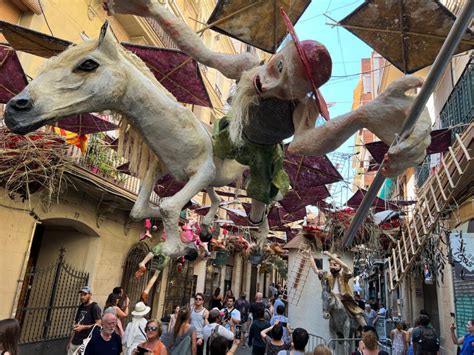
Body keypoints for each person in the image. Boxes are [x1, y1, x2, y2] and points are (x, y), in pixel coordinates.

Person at [104, 0, 432, 237]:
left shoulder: (304, 109)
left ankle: (259, 222)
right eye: (277, 68)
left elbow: (304, 145)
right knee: (193, 154)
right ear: (278, 56)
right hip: (229, 134)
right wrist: (155, 10)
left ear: (303, 94)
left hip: (263, 152)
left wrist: (361, 115)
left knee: (259, 199)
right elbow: (201, 52)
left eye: (287, 87)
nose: (270, 83)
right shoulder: (248, 67)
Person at [68, 286, 102, 355]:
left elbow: (98, 325)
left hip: (84, 344)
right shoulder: (81, 307)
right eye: (81, 295)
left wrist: (83, 327)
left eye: (85, 294)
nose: (82, 297)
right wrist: (70, 341)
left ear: (90, 295)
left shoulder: (94, 307)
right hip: (74, 342)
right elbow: (77, 324)